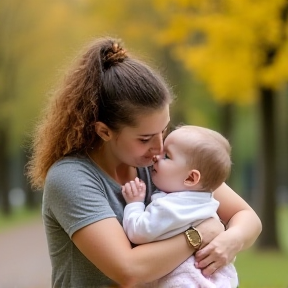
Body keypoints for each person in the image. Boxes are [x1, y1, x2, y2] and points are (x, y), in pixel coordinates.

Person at [26, 37, 262, 288]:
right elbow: (129, 271)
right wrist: (203, 233)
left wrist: (231, 240)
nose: (159, 148)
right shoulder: (71, 178)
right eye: (146, 138)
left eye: (164, 130)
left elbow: (246, 217)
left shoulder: (162, 165)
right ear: (104, 131)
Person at [122, 125, 239, 287]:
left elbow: (138, 231)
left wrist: (134, 203)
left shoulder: (171, 207)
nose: (156, 156)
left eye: (167, 156)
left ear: (191, 178)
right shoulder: (205, 200)